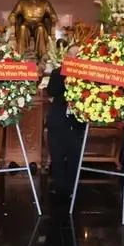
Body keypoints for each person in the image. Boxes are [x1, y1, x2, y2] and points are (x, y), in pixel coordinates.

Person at [46, 43, 86, 198]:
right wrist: (66, 74)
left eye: (78, 55)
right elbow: (52, 91)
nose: (74, 58)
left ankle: (71, 189)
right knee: (57, 157)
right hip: (58, 122)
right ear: (66, 57)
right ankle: (60, 188)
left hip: (76, 123)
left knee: (74, 156)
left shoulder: (87, 76)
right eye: (72, 55)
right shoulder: (57, 72)